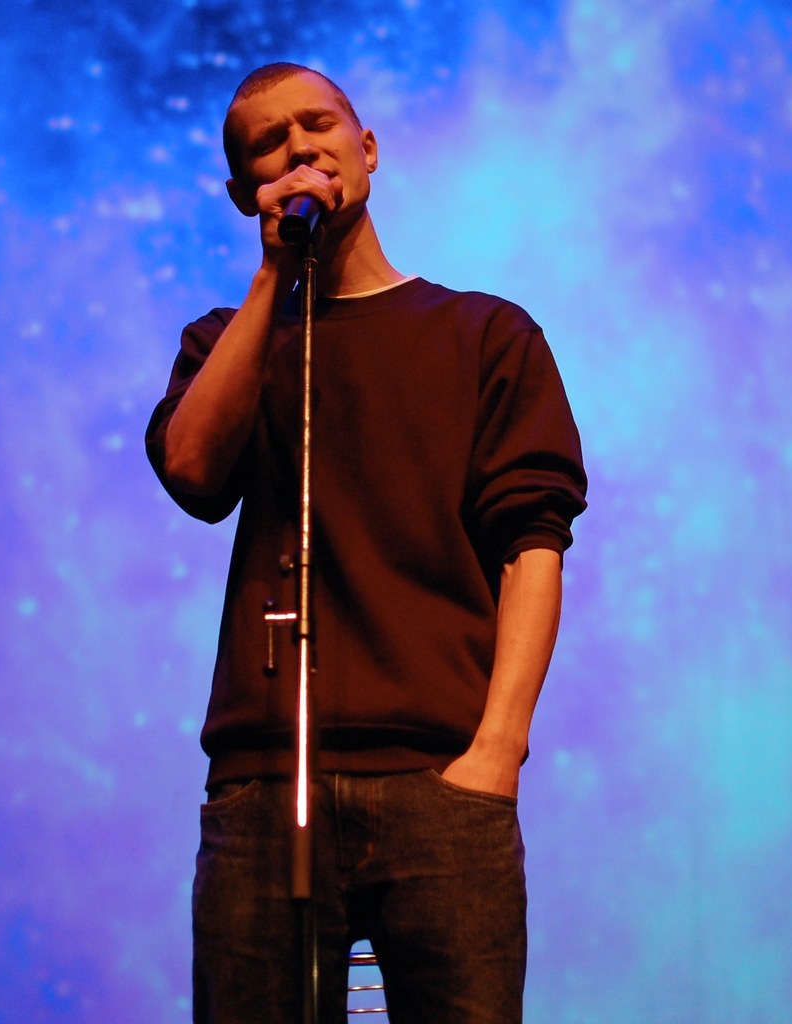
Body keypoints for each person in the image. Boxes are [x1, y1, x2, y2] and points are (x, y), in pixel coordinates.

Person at [145, 62, 587, 1024]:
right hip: (265, 787)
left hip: (441, 782)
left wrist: (496, 755)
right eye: (269, 145)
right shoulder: (225, 342)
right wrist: (275, 276)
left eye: (316, 124)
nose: (299, 148)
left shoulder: (484, 335)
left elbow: (533, 547)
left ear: (368, 147)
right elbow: (192, 473)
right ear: (245, 193)